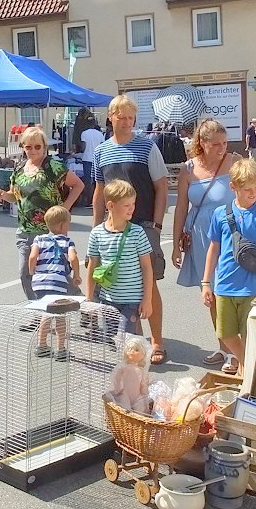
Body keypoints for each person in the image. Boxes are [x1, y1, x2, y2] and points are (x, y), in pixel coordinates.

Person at [92, 94, 169, 365]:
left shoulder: (147, 147)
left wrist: (156, 225)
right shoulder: (101, 151)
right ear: (110, 118)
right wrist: (97, 226)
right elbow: (99, 192)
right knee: (117, 284)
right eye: (121, 116)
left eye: (130, 117)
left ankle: (157, 341)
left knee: (150, 285)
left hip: (143, 224)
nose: (126, 122)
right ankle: (130, 342)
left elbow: (161, 186)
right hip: (112, 228)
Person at [171, 119, 242, 373]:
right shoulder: (188, 169)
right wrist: (176, 241)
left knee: (231, 294)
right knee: (211, 294)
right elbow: (181, 206)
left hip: (230, 234)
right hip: (200, 235)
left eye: (224, 143)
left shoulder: (234, 163)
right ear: (201, 143)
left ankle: (237, 352)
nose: (221, 148)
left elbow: (252, 194)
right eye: (215, 144)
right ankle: (223, 347)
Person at [201, 159, 256, 377]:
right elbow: (213, 249)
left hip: (254, 288)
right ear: (233, 187)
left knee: (250, 335)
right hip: (225, 285)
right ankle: (245, 362)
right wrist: (206, 282)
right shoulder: (220, 214)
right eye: (247, 189)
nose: (253, 193)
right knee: (226, 334)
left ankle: (246, 377)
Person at [0, 126, 84, 300]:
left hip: (51, 231)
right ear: (23, 147)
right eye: (28, 147)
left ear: (44, 146)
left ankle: (81, 302)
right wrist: (3, 194)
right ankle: (38, 311)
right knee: (26, 273)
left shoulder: (53, 166)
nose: (33, 150)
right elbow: (15, 196)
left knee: (56, 274)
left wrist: (65, 208)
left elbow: (78, 185)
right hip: (26, 231)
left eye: (37, 146)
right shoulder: (19, 168)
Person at [86, 180, 153, 337]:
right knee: (112, 338)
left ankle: (134, 360)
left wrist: (147, 299)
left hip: (132, 299)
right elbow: (92, 266)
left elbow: (146, 267)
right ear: (110, 206)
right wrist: (89, 298)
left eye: (133, 204)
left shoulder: (137, 232)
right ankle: (132, 360)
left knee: (125, 336)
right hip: (107, 298)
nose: (132, 209)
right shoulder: (97, 233)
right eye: (126, 205)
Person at [28, 205, 81, 361]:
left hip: (39, 282)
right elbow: (73, 258)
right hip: (58, 283)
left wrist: (32, 271)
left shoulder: (39, 239)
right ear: (62, 225)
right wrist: (76, 275)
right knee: (59, 316)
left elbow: (32, 257)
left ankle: (42, 345)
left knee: (45, 312)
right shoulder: (67, 241)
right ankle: (59, 348)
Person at [78, 114, 105, 208]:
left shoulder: (84, 133)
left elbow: (83, 147)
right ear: (94, 124)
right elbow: (102, 146)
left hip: (87, 159)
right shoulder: (100, 134)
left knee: (88, 181)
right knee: (98, 181)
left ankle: (89, 201)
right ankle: (98, 201)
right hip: (98, 159)